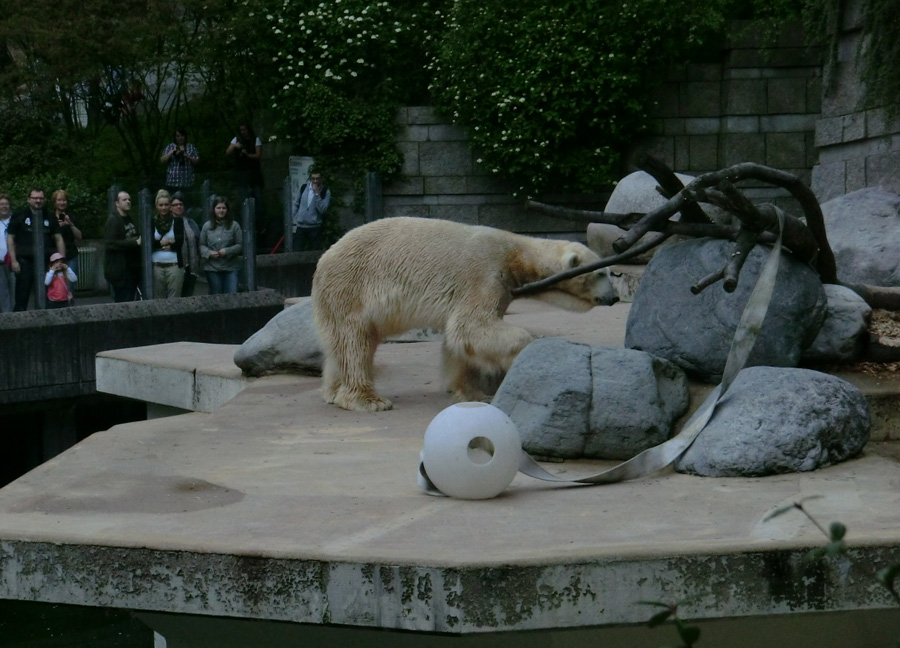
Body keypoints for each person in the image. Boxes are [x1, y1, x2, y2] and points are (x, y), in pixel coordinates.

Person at [6, 188, 65, 311]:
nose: (38, 201)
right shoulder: (19, 215)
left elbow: (58, 239)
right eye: (35, 198)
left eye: (41, 198)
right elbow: (10, 238)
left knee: (47, 295)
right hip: (24, 261)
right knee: (22, 295)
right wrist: (13, 260)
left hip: (46, 262)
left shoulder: (49, 216)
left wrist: (61, 260)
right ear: (29, 199)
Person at [225, 122, 264, 238]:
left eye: (245, 130)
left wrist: (247, 154)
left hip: (253, 174)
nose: (243, 132)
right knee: (243, 200)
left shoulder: (255, 139)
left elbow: (258, 155)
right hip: (241, 174)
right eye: (241, 130)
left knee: (258, 201)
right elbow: (227, 152)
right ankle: (244, 225)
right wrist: (235, 146)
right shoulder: (236, 139)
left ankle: (259, 226)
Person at [104, 191, 142, 303]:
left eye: (129, 199)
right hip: (120, 270)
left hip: (132, 268)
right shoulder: (113, 220)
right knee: (123, 301)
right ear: (117, 203)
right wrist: (134, 243)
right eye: (124, 200)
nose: (128, 202)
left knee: (131, 298)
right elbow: (110, 243)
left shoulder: (130, 218)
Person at [199, 196, 242, 295]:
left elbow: (240, 245)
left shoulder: (234, 226)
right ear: (214, 210)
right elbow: (201, 245)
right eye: (218, 208)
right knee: (216, 296)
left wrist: (227, 251)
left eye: (224, 208)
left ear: (227, 210)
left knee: (232, 295)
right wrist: (209, 253)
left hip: (231, 267)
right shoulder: (207, 226)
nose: (221, 211)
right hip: (212, 268)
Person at [150, 189, 185, 299]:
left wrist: (162, 245)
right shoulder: (151, 222)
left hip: (174, 265)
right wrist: (164, 243)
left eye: (166, 204)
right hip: (156, 266)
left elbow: (179, 242)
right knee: (157, 299)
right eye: (161, 205)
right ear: (156, 206)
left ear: (170, 206)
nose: (164, 208)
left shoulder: (177, 221)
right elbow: (149, 243)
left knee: (174, 300)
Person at [291, 169, 331, 252]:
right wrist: (291, 217)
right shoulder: (303, 188)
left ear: (321, 179)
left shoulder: (325, 192)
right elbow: (296, 204)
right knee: (296, 251)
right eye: (313, 178)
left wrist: (317, 195)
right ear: (310, 178)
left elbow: (322, 210)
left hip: (314, 227)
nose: (315, 181)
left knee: (314, 253)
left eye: (317, 179)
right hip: (301, 226)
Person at [170, 192, 201, 297]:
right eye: (175, 205)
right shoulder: (167, 223)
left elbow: (198, 240)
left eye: (181, 204)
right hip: (174, 264)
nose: (178, 207)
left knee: (188, 294)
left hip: (191, 265)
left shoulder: (191, 223)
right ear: (170, 207)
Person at [52, 189, 83, 280]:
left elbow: (79, 236)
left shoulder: (71, 216)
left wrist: (70, 225)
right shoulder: (50, 217)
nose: (62, 202)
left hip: (70, 255)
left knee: (70, 283)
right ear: (54, 202)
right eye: (59, 200)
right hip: (54, 256)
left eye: (64, 200)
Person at [160, 127, 199, 193]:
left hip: (187, 183)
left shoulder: (191, 147)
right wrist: (171, 153)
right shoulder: (170, 147)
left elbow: (197, 162)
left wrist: (187, 156)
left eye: (182, 136)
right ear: (175, 137)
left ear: (185, 136)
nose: (180, 138)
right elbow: (162, 160)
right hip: (172, 183)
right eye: (178, 136)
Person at [0, 194, 14, 313]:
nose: (4, 206)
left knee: (15, 289)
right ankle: (6, 318)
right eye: (1, 204)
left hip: (13, 261)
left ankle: (17, 317)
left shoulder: (15, 220)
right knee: (2, 293)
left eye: (6, 204)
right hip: (0, 263)